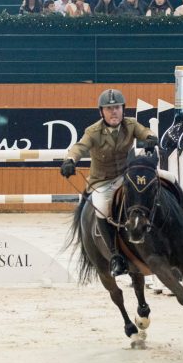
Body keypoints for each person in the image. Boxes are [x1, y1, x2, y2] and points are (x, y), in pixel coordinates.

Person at [60, 89, 158, 277]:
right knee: (102, 207)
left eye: (117, 107)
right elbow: (79, 147)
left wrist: (150, 138)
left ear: (123, 109)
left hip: (124, 177)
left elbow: (145, 132)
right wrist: (70, 160)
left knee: (151, 190)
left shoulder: (131, 125)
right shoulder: (93, 131)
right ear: (101, 112)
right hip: (102, 182)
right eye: (109, 108)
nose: (114, 112)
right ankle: (115, 256)